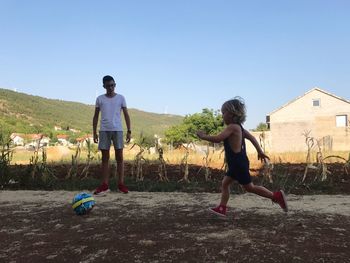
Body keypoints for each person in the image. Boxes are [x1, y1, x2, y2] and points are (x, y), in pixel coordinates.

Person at [196, 97, 288, 216]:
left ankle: (276, 196)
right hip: (237, 163)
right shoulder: (240, 128)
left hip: (238, 164)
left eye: (224, 112)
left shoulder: (232, 127)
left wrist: (203, 136)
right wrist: (259, 151)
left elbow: (218, 139)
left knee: (250, 187)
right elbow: (252, 138)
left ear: (232, 114)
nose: (222, 116)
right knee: (225, 183)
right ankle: (222, 208)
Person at [93, 75, 131, 195]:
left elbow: (126, 115)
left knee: (119, 158)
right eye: (108, 85)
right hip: (104, 130)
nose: (111, 87)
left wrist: (129, 130)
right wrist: (94, 132)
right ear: (104, 86)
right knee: (105, 159)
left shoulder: (121, 98)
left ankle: (121, 184)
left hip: (118, 130)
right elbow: (95, 116)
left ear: (115, 85)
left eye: (113, 85)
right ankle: (105, 185)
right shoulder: (100, 99)